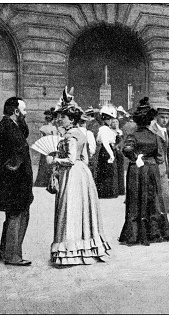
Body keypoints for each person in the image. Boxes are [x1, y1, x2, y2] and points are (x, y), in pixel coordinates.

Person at [45, 89, 111, 265]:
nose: (60, 119)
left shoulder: (71, 135)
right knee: (80, 208)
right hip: (82, 173)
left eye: (63, 117)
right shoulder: (80, 133)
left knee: (70, 208)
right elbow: (85, 158)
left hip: (72, 174)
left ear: (72, 119)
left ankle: (70, 251)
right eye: (59, 117)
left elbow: (70, 159)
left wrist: (54, 160)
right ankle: (86, 247)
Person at [119, 104, 169, 246]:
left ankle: (133, 234)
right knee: (153, 199)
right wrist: (150, 160)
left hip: (136, 171)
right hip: (151, 170)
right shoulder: (155, 137)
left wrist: (136, 157)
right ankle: (154, 232)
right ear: (150, 121)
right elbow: (160, 158)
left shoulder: (133, 136)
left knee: (135, 199)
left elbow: (126, 150)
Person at [0, 97, 34, 266]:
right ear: (16, 112)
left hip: (15, 182)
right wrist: (8, 167)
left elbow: (24, 134)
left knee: (13, 216)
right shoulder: (6, 126)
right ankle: (13, 256)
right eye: (24, 110)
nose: (26, 113)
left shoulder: (10, 125)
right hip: (15, 182)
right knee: (17, 216)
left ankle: (4, 251)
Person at [149, 106, 169, 214]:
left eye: (167, 118)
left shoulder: (165, 130)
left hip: (164, 164)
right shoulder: (152, 130)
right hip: (156, 164)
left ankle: (164, 209)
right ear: (157, 118)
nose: (165, 120)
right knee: (156, 191)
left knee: (165, 192)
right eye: (162, 117)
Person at [95, 105, 119, 198]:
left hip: (108, 149)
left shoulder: (108, 129)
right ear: (104, 120)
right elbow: (105, 142)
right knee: (107, 171)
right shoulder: (104, 129)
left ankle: (108, 191)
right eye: (108, 119)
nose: (110, 121)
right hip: (106, 150)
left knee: (108, 171)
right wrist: (111, 154)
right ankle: (106, 192)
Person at [34, 109, 59, 187]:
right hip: (51, 147)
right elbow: (55, 138)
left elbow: (41, 138)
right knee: (51, 163)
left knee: (43, 163)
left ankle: (41, 181)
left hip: (45, 147)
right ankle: (49, 180)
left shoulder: (42, 128)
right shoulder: (53, 128)